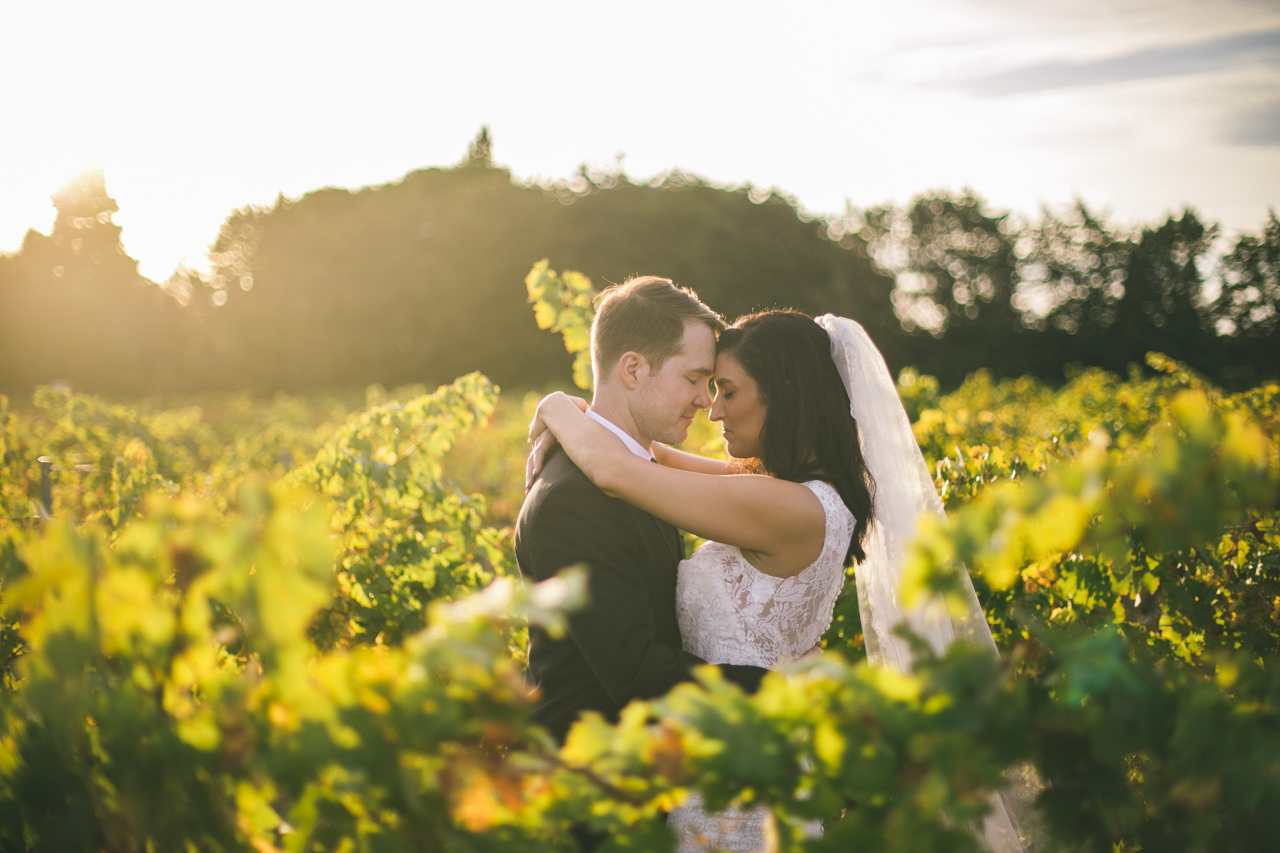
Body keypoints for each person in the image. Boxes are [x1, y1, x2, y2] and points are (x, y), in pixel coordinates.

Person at [528, 308, 1037, 853]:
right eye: (706, 386)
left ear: (784, 394)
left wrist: (555, 405)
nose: (714, 410)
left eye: (728, 390)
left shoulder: (784, 506)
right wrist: (582, 416)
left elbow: (618, 471)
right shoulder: (786, 490)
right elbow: (648, 454)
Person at [513, 275, 771, 748]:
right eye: (693, 378)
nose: (704, 400)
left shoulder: (643, 473)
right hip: (587, 786)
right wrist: (778, 687)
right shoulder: (573, 501)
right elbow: (634, 672)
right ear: (632, 369)